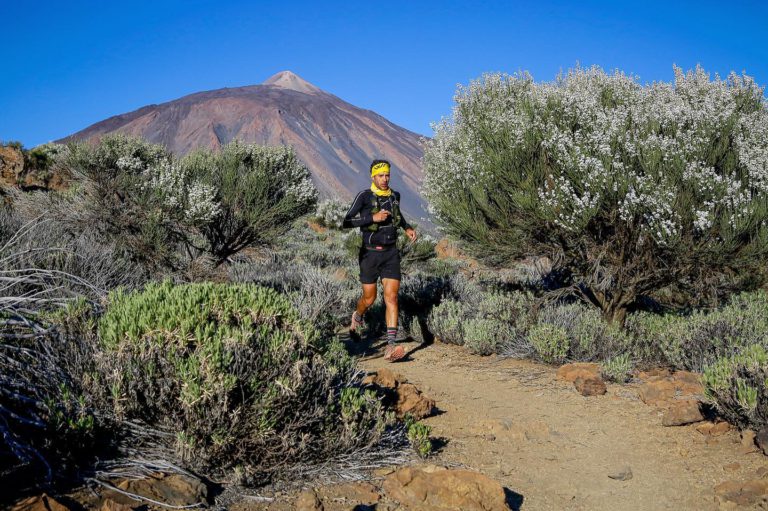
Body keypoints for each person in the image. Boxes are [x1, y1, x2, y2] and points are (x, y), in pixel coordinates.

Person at [343, 159, 417, 362]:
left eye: (387, 175)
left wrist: (407, 227)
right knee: (369, 298)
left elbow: (398, 216)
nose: (385, 179)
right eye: (381, 175)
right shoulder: (364, 196)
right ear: (373, 177)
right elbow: (346, 221)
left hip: (391, 254)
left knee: (392, 298)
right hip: (369, 255)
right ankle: (357, 316)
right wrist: (371, 219)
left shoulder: (395, 196)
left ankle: (391, 346)